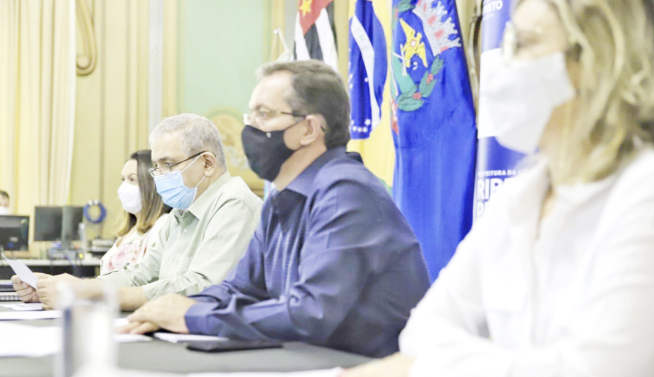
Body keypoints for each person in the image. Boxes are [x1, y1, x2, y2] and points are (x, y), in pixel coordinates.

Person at [341, 0, 654, 377]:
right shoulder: (520, 197)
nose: (504, 63)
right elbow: (422, 333)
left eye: (526, 43)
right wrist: (522, 371)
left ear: (599, 61)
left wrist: (431, 372)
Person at [122, 60, 431, 357]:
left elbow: (312, 312)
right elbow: (240, 289)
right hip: (309, 362)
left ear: (308, 129)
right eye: (251, 115)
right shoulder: (280, 199)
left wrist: (192, 316)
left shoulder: (346, 193)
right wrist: (171, 307)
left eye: (264, 114)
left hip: (364, 372)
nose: (250, 127)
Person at [13, 113, 262, 311]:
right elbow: (142, 274)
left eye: (168, 164)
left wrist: (91, 294)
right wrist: (69, 287)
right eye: (156, 166)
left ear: (207, 163)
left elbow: (203, 287)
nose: (159, 176)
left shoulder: (235, 203)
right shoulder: (180, 213)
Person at [101, 150, 169, 273]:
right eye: (123, 179)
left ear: (151, 185)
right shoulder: (129, 231)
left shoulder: (162, 226)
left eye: (132, 179)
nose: (123, 187)